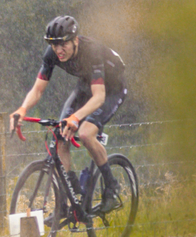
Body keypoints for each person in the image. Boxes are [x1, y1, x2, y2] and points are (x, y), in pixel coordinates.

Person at [10, 15, 128, 200]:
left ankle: (112, 187)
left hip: (111, 89)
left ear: (75, 41)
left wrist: (76, 118)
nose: (58, 50)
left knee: (85, 133)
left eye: (63, 44)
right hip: (86, 86)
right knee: (60, 135)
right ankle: (69, 199)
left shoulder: (91, 51)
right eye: (54, 45)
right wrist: (22, 109)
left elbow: (99, 97)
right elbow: (38, 89)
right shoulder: (52, 54)